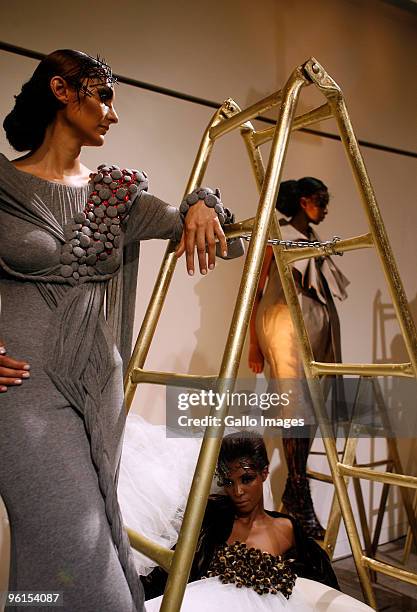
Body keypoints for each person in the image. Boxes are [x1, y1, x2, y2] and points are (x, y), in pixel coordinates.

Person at [0, 49, 230, 612]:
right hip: (21, 392)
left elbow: (210, 233)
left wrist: (203, 201)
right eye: (103, 96)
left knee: (55, 553)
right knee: (74, 545)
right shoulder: (3, 189)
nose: (112, 113)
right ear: (61, 90)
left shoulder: (117, 196)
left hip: (96, 387)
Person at [142, 431, 372, 611]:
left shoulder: (287, 528)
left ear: (264, 473)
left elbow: (322, 583)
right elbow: (174, 567)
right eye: (229, 482)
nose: (238, 491)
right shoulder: (214, 518)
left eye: (247, 479)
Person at [248, 178, 349, 539]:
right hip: (284, 327)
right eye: (321, 201)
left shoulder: (315, 241)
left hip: (315, 332)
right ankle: (298, 490)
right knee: (294, 403)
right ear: (304, 201)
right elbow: (254, 289)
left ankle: (296, 486)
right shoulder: (276, 234)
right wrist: (253, 345)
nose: (325, 208)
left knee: (313, 404)